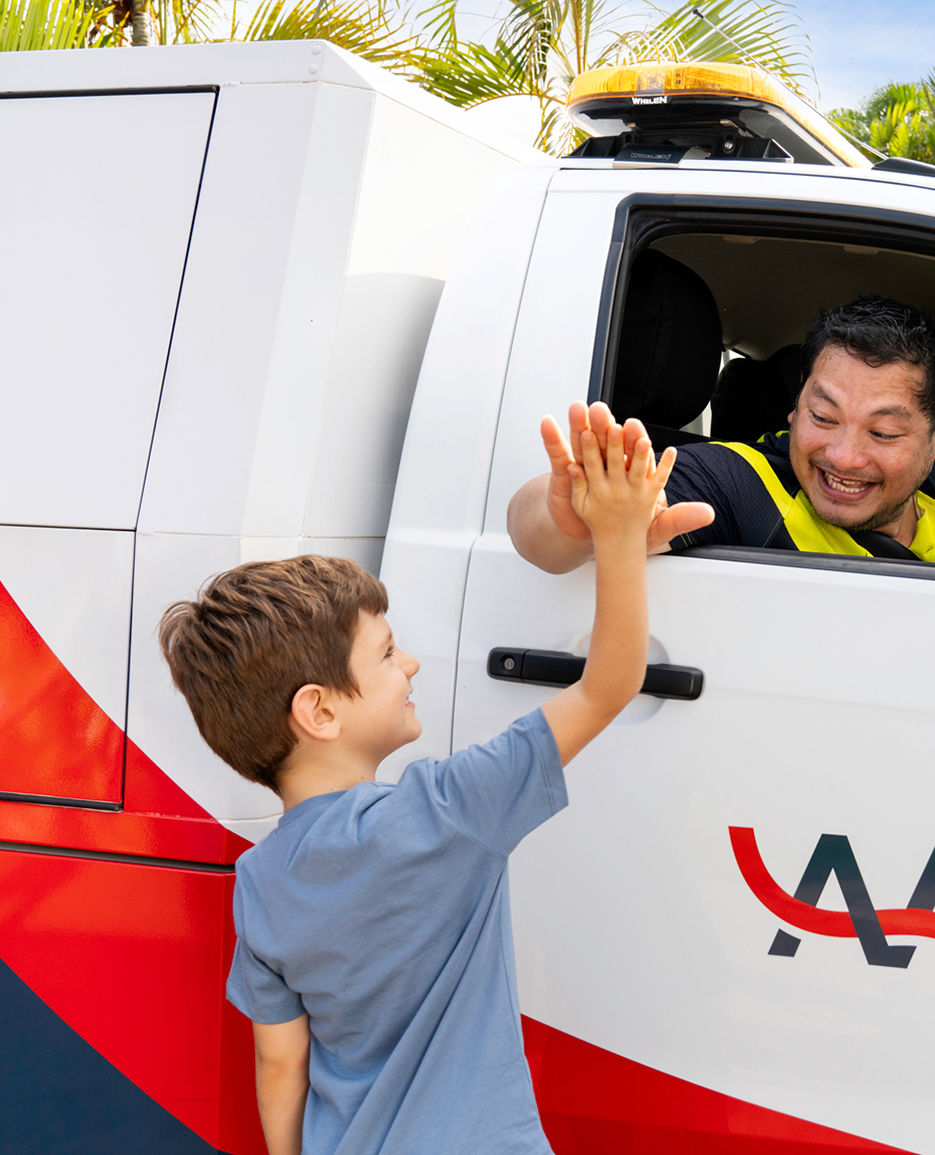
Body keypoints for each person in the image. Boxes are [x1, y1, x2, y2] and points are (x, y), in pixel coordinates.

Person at [158, 425, 676, 1155]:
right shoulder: (451, 809)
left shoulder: (259, 880)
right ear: (321, 709)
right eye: (388, 652)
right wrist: (619, 538)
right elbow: (610, 683)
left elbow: (280, 1065)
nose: (413, 664)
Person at [507, 295, 935, 576]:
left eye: (885, 431)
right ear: (797, 403)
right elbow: (535, 526)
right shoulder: (745, 483)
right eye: (823, 416)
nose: (842, 456)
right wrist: (573, 515)